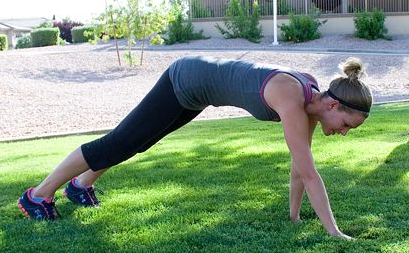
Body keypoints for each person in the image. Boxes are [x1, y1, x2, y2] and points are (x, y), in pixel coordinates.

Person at [18, 55, 373, 239]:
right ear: (332, 105)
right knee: (120, 142)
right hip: (185, 80)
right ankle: (38, 196)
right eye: (345, 125)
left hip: (198, 94)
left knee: (136, 143)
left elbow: (301, 166)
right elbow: (310, 175)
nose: (342, 133)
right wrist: (333, 232)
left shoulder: (311, 98)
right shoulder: (292, 97)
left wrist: (295, 218)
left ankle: (81, 187)